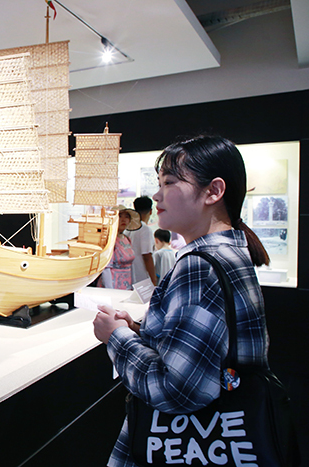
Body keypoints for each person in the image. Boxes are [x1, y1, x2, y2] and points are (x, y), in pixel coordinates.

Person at [93, 135, 270, 466]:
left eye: (170, 182)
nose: (157, 195)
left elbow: (176, 389)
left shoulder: (198, 266)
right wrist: (137, 330)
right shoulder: (229, 253)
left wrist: (116, 336)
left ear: (213, 191)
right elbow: (204, 348)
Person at [97, 206, 138, 290]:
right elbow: (106, 268)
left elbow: (131, 266)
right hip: (112, 285)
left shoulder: (127, 239)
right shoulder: (109, 240)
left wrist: (134, 285)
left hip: (127, 285)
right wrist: (110, 291)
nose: (123, 220)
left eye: (126, 216)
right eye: (120, 216)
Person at [126, 196, 157, 286]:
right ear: (150, 211)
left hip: (127, 275)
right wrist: (153, 279)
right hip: (141, 276)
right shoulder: (145, 229)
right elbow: (147, 256)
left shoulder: (127, 228)